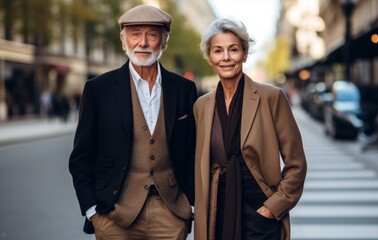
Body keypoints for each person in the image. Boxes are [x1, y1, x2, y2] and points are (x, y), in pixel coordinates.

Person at [69, 4, 197, 239]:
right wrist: (91, 211)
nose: (143, 42)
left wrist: (190, 204)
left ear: (164, 41)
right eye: (135, 34)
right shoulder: (99, 89)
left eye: (152, 34)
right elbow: (81, 156)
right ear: (123, 41)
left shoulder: (184, 89)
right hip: (114, 214)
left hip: (170, 212)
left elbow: (191, 151)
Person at [193, 18, 307, 240]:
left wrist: (273, 207)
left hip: (260, 213)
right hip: (217, 213)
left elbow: (296, 163)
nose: (226, 57)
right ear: (209, 58)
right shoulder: (201, 106)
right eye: (218, 51)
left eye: (233, 50)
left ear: (244, 54)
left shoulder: (271, 97)